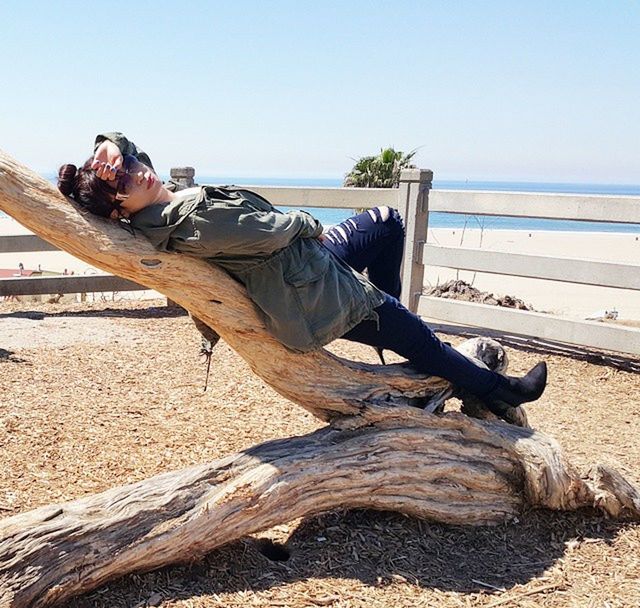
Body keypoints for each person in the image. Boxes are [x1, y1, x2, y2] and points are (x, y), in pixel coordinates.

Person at [57, 132, 547, 417]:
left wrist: (110, 146)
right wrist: (310, 224)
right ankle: (501, 393)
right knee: (425, 344)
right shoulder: (189, 221)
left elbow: (129, 147)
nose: (137, 172)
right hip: (315, 294)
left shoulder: (166, 205)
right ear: (120, 209)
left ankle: (393, 317)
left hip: (307, 268)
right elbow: (273, 232)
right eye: (122, 181)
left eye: (131, 164)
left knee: (387, 222)